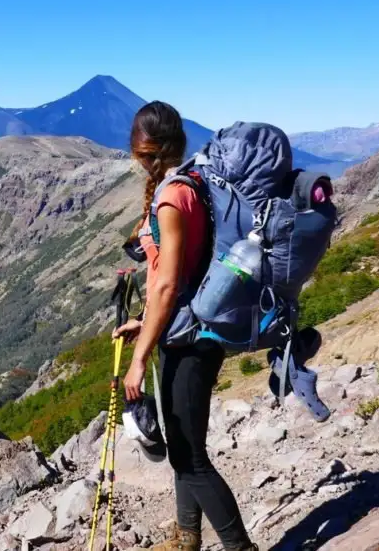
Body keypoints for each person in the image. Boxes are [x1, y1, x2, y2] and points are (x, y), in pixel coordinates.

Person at [114, 101, 257, 551]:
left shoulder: (172, 197)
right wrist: (145, 324)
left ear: (145, 150)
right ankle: (186, 536)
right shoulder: (192, 182)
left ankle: (239, 547)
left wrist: (139, 360)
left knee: (191, 457)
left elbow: (168, 283)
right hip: (188, 328)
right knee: (181, 445)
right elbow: (177, 279)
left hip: (190, 339)